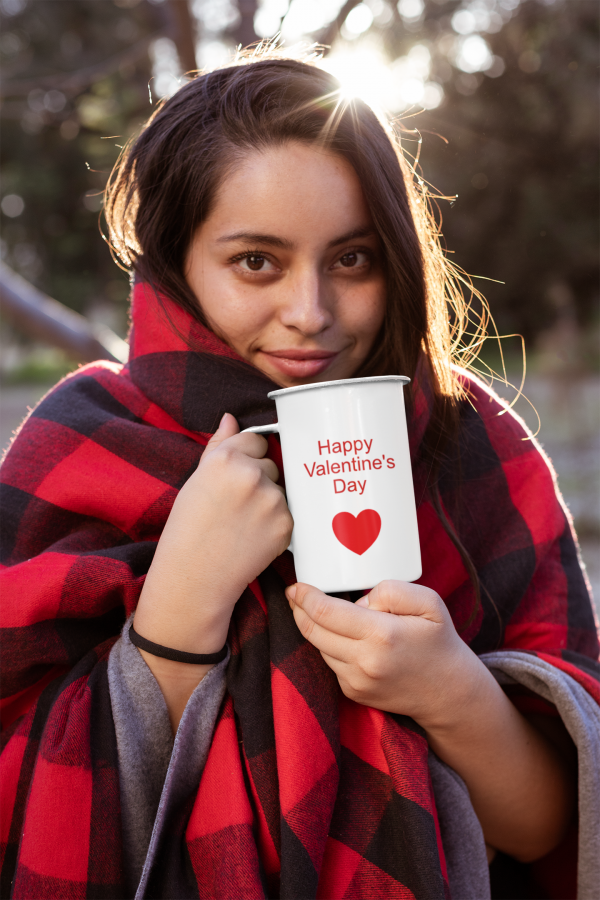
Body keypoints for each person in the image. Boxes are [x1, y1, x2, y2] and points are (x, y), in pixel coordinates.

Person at [1, 52, 598, 900]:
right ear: (175, 263)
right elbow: (28, 814)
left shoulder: (468, 442)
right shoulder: (84, 444)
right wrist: (178, 609)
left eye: (352, 259)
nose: (310, 313)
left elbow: (548, 831)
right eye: (257, 261)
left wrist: (452, 692)